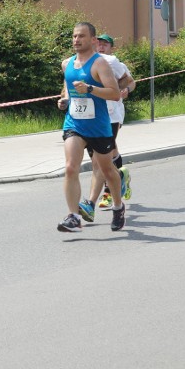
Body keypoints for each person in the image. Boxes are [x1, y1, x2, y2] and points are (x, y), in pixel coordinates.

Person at [56, 22, 126, 233]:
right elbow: (67, 89)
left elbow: (114, 93)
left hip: (98, 126)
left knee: (106, 170)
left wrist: (90, 89)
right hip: (74, 123)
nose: (76, 40)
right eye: (74, 36)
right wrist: (64, 100)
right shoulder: (66, 64)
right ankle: (74, 217)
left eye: (82, 36)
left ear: (93, 40)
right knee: (70, 167)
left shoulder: (100, 64)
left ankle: (118, 206)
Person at [78, 33, 135, 223]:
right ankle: (119, 176)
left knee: (99, 161)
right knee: (103, 159)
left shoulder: (113, 62)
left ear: (111, 47)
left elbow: (129, 81)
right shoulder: (85, 63)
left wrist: (120, 89)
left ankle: (97, 199)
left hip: (111, 115)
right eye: (99, 44)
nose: (101, 47)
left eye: (105, 44)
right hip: (89, 117)